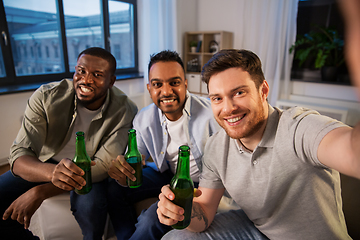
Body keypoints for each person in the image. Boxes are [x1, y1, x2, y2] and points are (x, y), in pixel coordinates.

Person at [157, 49, 360, 239]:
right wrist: (179, 211)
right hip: (259, 232)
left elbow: (352, 152)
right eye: (217, 98)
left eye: (239, 93)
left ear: (263, 90)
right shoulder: (216, 146)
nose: (228, 108)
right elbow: (205, 213)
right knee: (176, 236)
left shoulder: (298, 128)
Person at [0, 47, 138, 240]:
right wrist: (51, 174)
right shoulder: (46, 96)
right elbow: (19, 153)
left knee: (91, 207)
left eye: (97, 75)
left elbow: (103, 165)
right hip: (45, 164)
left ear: (111, 82)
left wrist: (41, 191)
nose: (86, 80)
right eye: (81, 71)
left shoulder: (125, 109)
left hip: (89, 169)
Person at [107, 50, 219, 240]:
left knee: (151, 217)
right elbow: (135, 161)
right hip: (167, 173)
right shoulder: (144, 118)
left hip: (200, 183)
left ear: (185, 84)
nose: (166, 92)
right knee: (113, 186)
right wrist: (123, 172)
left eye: (174, 83)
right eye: (158, 84)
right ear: (149, 88)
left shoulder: (212, 115)